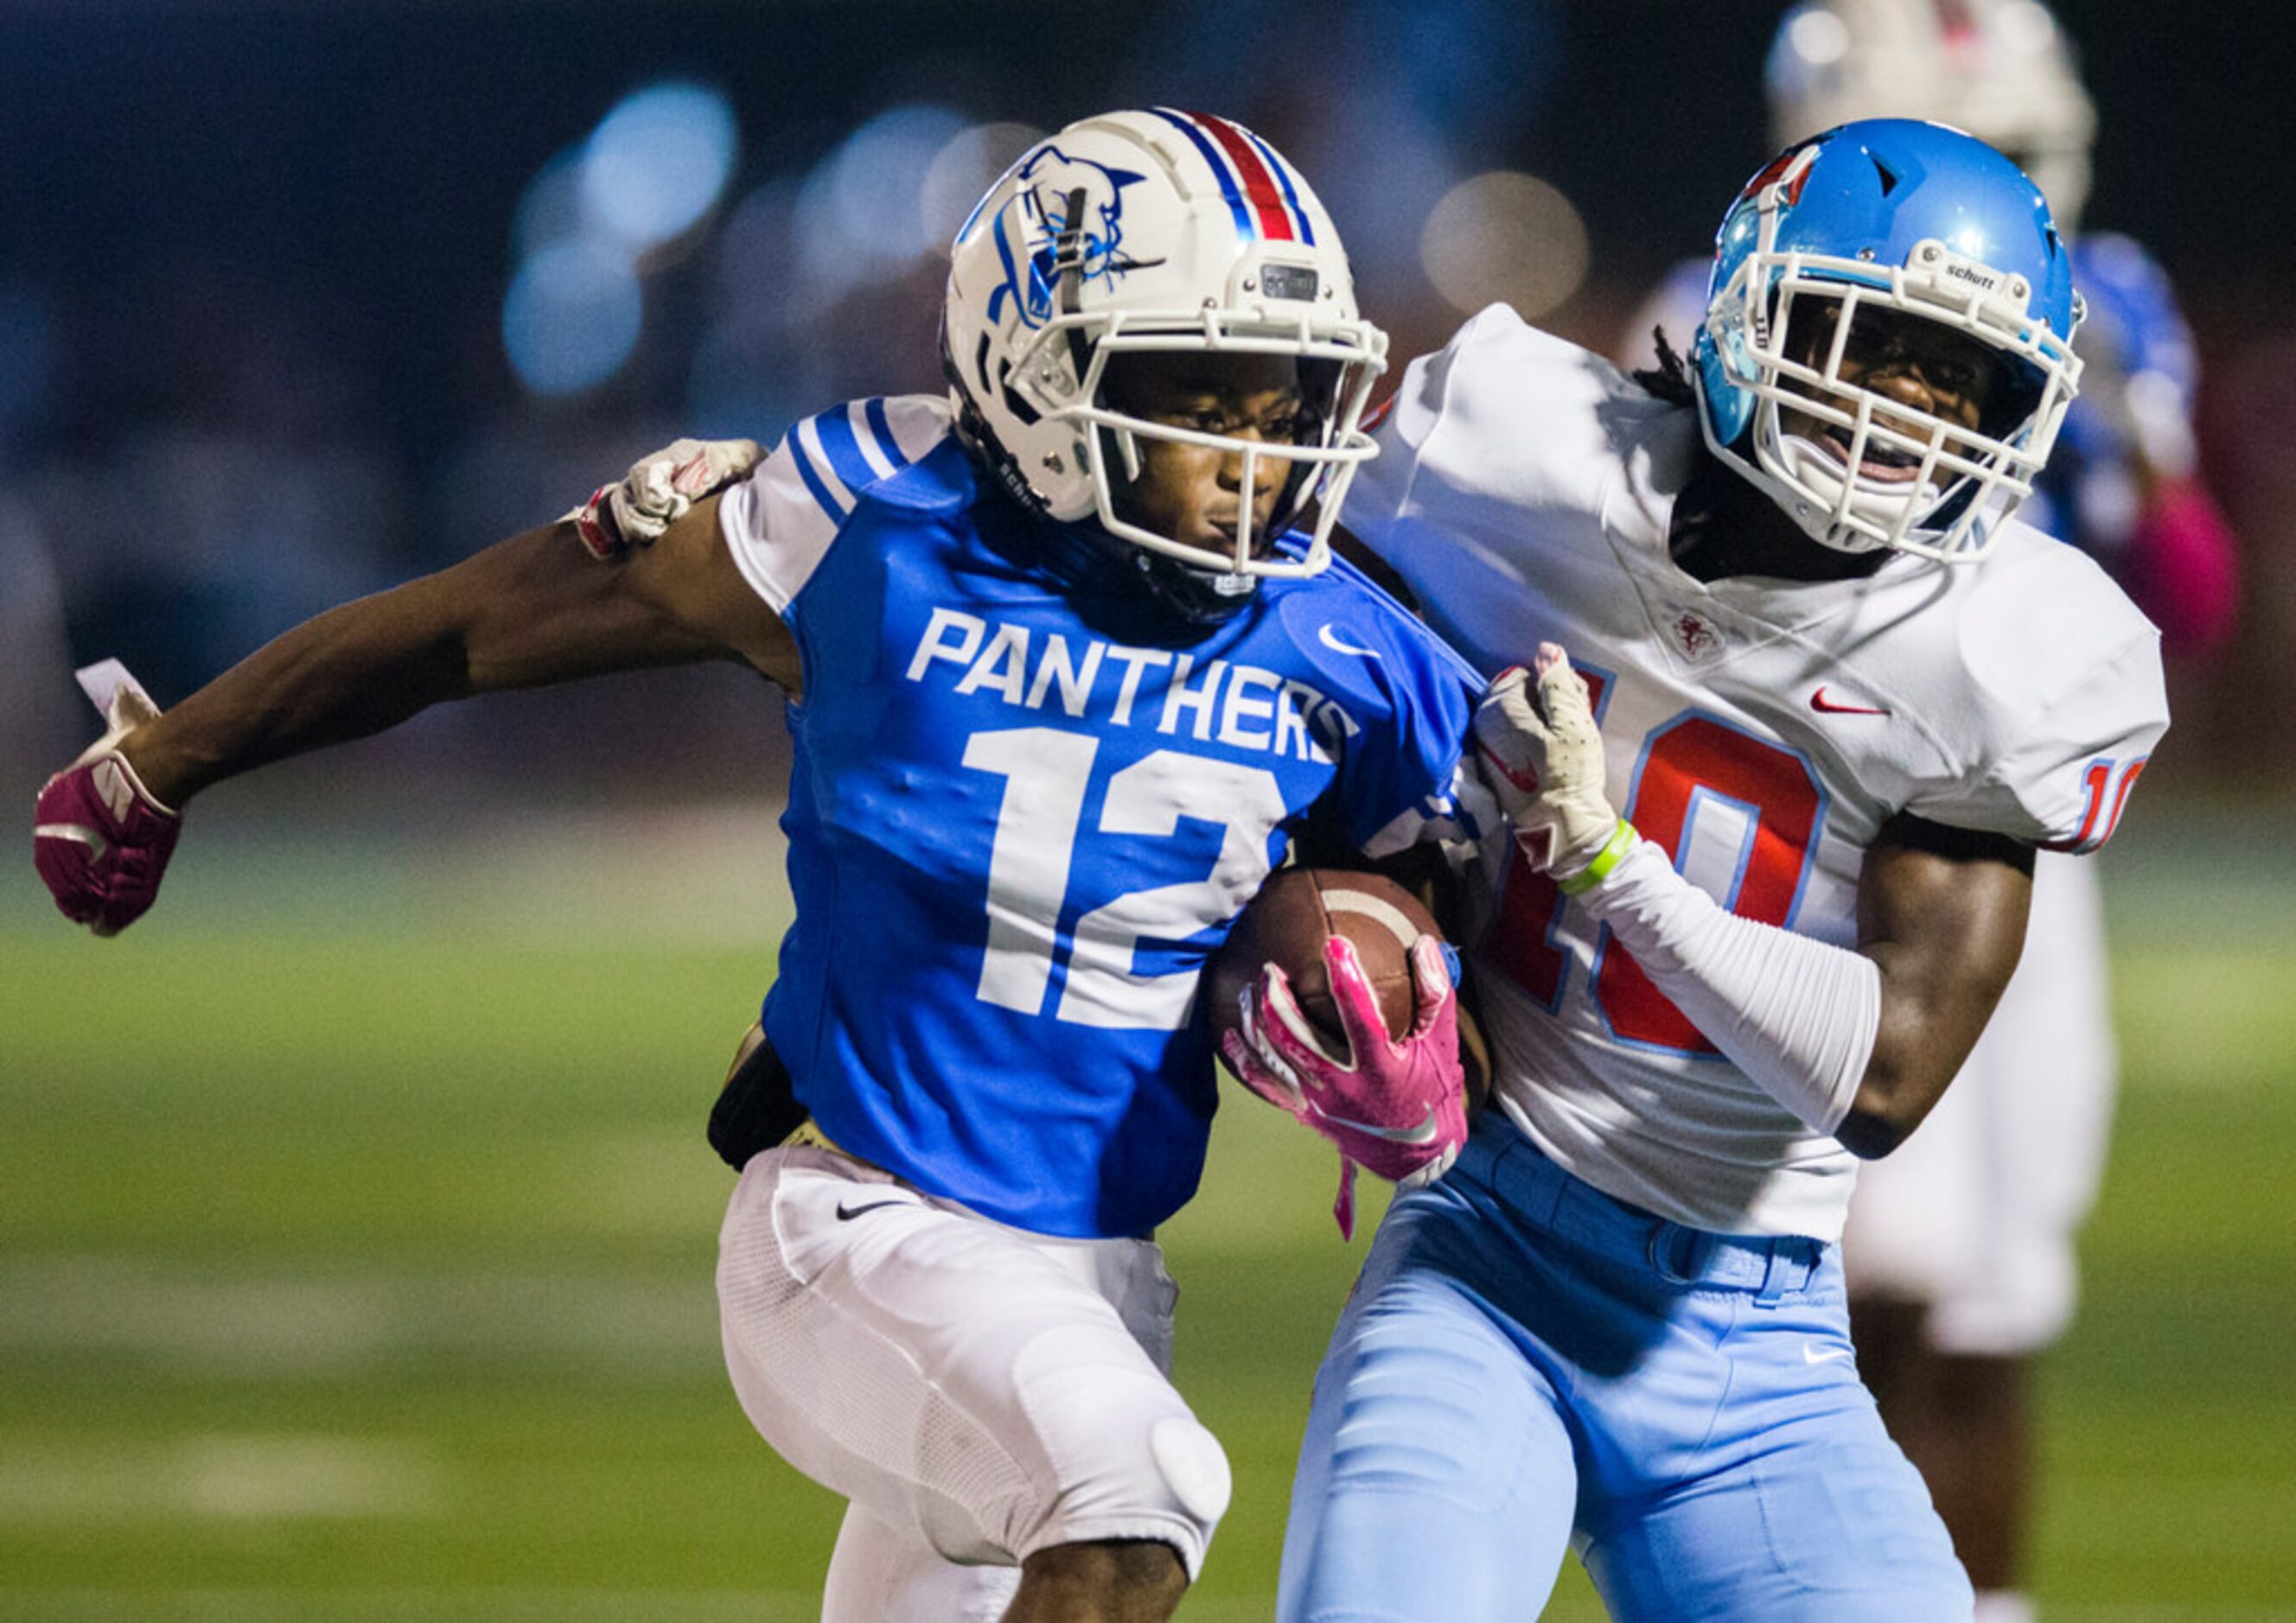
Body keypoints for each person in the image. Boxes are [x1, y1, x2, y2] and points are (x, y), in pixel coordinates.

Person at [32, 110, 1484, 1623]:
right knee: (1139, 1499)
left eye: (1284, 397)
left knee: (1098, 1485)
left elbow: (1453, 899)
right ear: (1038, 373)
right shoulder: (862, 513)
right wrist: (165, 757)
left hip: (1097, 1286)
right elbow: (477, 622)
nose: (1255, 457)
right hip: (856, 1233)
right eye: (1200, 395)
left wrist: (1431, 1046)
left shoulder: (1343, 640)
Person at [1239, 118, 2169, 1620]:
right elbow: (1263, 654)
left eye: (1960, 381)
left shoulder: (2011, 652)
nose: (1904, 417)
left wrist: (1613, 859)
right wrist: (1320, 887)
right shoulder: (1507, 450)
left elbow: (1883, 1071)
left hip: (1759, 1349)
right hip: (1485, 1260)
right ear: (1751, 312)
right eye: (1869, 346)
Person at [1753, 10, 2240, 1616]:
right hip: (1828, 834)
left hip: (2024, 836)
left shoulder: (2108, 312)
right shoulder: (1739, 296)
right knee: (1870, 1275)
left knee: (2000, 1283)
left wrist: (2129, 433)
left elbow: (2193, 591)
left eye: (2022, 162)